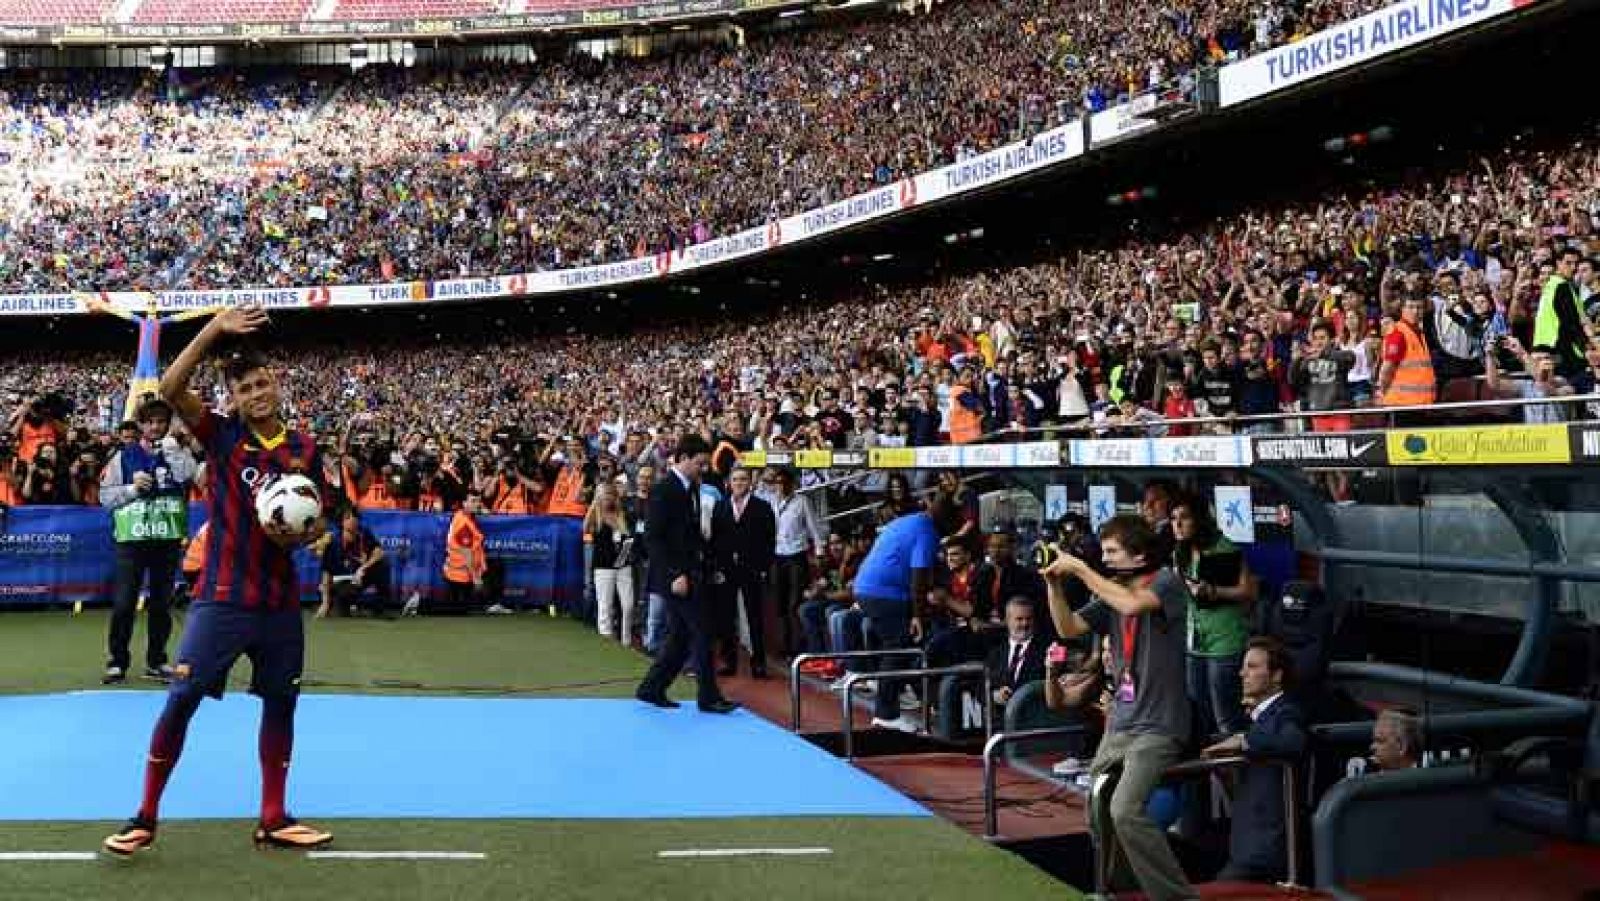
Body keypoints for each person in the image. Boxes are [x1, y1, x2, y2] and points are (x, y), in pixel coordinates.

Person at [104, 305, 334, 857]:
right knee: (182, 698)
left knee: (282, 704)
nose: (256, 394)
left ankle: (274, 817)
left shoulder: (305, 449)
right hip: (223, 598)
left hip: (280, 605)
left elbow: (320, 518)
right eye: (245, 388)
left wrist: (305, 535)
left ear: (275, 385)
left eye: (262, 383)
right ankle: (145, 816)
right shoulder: (223, 435)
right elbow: (169, 385)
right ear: (232, 397)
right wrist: (212, 331)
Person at [1041, 514, 1196, 901]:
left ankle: (1177, 897)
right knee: (1097, 807)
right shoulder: (1113, 589)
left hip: (1159, 725)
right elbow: (1069, 629)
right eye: (1104, 551)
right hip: (1121, 721)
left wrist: (1079, 568)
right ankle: (1122, 886)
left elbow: (1131, 606)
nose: (1105, 558)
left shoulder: (1166, 582)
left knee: (1126, 809)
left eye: (1113, 551)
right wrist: (1054, 586)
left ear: (1138, 553)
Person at [634, 434, 739, 714]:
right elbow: (654, 539)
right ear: (682, 459)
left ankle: (651, 687)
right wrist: (675, 574)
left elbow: (691, 535)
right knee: (702, 632)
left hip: (692, 571)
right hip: (676, 577)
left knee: (680, 637)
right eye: (699, 463)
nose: (703, 469)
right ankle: (708, 697)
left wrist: (710, 561)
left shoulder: (691, 489)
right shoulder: (663, 490)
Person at [100, 398, 197, 685]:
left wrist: (174, 448)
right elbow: (105, 497)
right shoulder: (123, 457)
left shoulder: (178, 452)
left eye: (161, 422)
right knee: (124, 603)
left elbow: (188, 476)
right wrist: (131, 488)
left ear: (168, 425)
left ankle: (156, 661)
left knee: (161, 604)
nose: (156, 427)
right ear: (141, 425)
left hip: (166, 540)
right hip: (131, 541)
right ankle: (117, 662)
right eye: (150, 422)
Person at [1203, 636, 1307, 885]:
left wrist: (1243, 741)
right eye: (1243, 666)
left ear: (1276, 676)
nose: (1241, 674)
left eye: (1252, 667)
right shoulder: (1257, 718)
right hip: (1248, 845)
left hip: (1266, 849)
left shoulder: (1286, 711)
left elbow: (1293, 742)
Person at [854, 493, 953, 734]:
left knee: (905, 642)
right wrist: (918, 615)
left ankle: (901, 688)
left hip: (867, 588)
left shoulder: (906, 521)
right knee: (899, 646)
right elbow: (919, 576)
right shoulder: (926, 531)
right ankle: (886, 713)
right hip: (884, 593)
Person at [1172, 496, 1256, 738]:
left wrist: (1214, 591)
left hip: (1225, 639)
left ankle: (1235, 770)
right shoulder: (1180, 551)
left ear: (1198, 520)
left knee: (1226, 716)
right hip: (1194, 639)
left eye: (1184, 518)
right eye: (1173, 519)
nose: (1177, 524)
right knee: (1199, 712)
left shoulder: (1224, 547)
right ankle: (1205, 770)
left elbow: (1248, 591)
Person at [709, 467, 776, 678]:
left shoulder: (762, 507)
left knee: (754, 617)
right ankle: (729, 662)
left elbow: (769, 541)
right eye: (735, 479)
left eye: (743, 479)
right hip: (726, 570)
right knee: (726, 618)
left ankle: (759, 664)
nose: (739, 483)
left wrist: (763, 568)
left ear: (750, 482)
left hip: (752, 569)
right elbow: (715, 540)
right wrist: (717, 567)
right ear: (729, 482)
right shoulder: (720, 507)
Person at [768, 467, 827, 658]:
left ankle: (798, 645)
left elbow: (814, 529)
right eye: (777, 482)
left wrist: (819, 554)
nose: (781, 486)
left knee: (795, 602)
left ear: (792, 484)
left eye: (784, 482)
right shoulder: (771, 502)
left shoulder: (802, 502)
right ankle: (784, 645)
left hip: (796, 555)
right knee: (780, 602)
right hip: (777, 556)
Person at [586, 482, 637, 647]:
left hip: (623, 565)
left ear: (615, 497)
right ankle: (606, 640)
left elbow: (630, 538)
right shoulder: (597, 515)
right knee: (605, 606)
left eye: (610, 495)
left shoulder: (624, 515)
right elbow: (585, 528)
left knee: (628, 605)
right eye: (604, 495)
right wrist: (594, 503)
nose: (607, 498)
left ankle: (626, 641)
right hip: (603, 567)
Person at [316, 508, 392, 619]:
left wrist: (363, 568)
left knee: (383, 565)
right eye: (347, 517)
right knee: (342, 612)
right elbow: (326, 575)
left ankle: (379, 609)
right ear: (342, 522)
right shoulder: (332, 542)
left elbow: (379, 552)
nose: (352, 520)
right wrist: (325, 603)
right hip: (341, 584)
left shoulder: (364, 533)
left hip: (359, 578)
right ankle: (337, 604)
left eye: (354, 517)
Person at [986, 597, 1046, 710]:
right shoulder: (995, 653)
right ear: (1007, 621)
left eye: (1029, 619)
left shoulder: (1045, 650)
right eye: (1019, 619)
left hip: (1034, 720)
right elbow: (981, 688)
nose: (1025, 623)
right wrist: (995, 696)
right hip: (1001, 722)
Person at [1379, 295, 1437, 409]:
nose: (1415, 311)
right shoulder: (1398, 333)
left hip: (1420, 403)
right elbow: (1386, 370)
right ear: (1402, 309)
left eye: (1419, 308)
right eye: (1410, 307)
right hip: (1402, 404)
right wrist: (1384, 392)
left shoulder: (1419, 333)